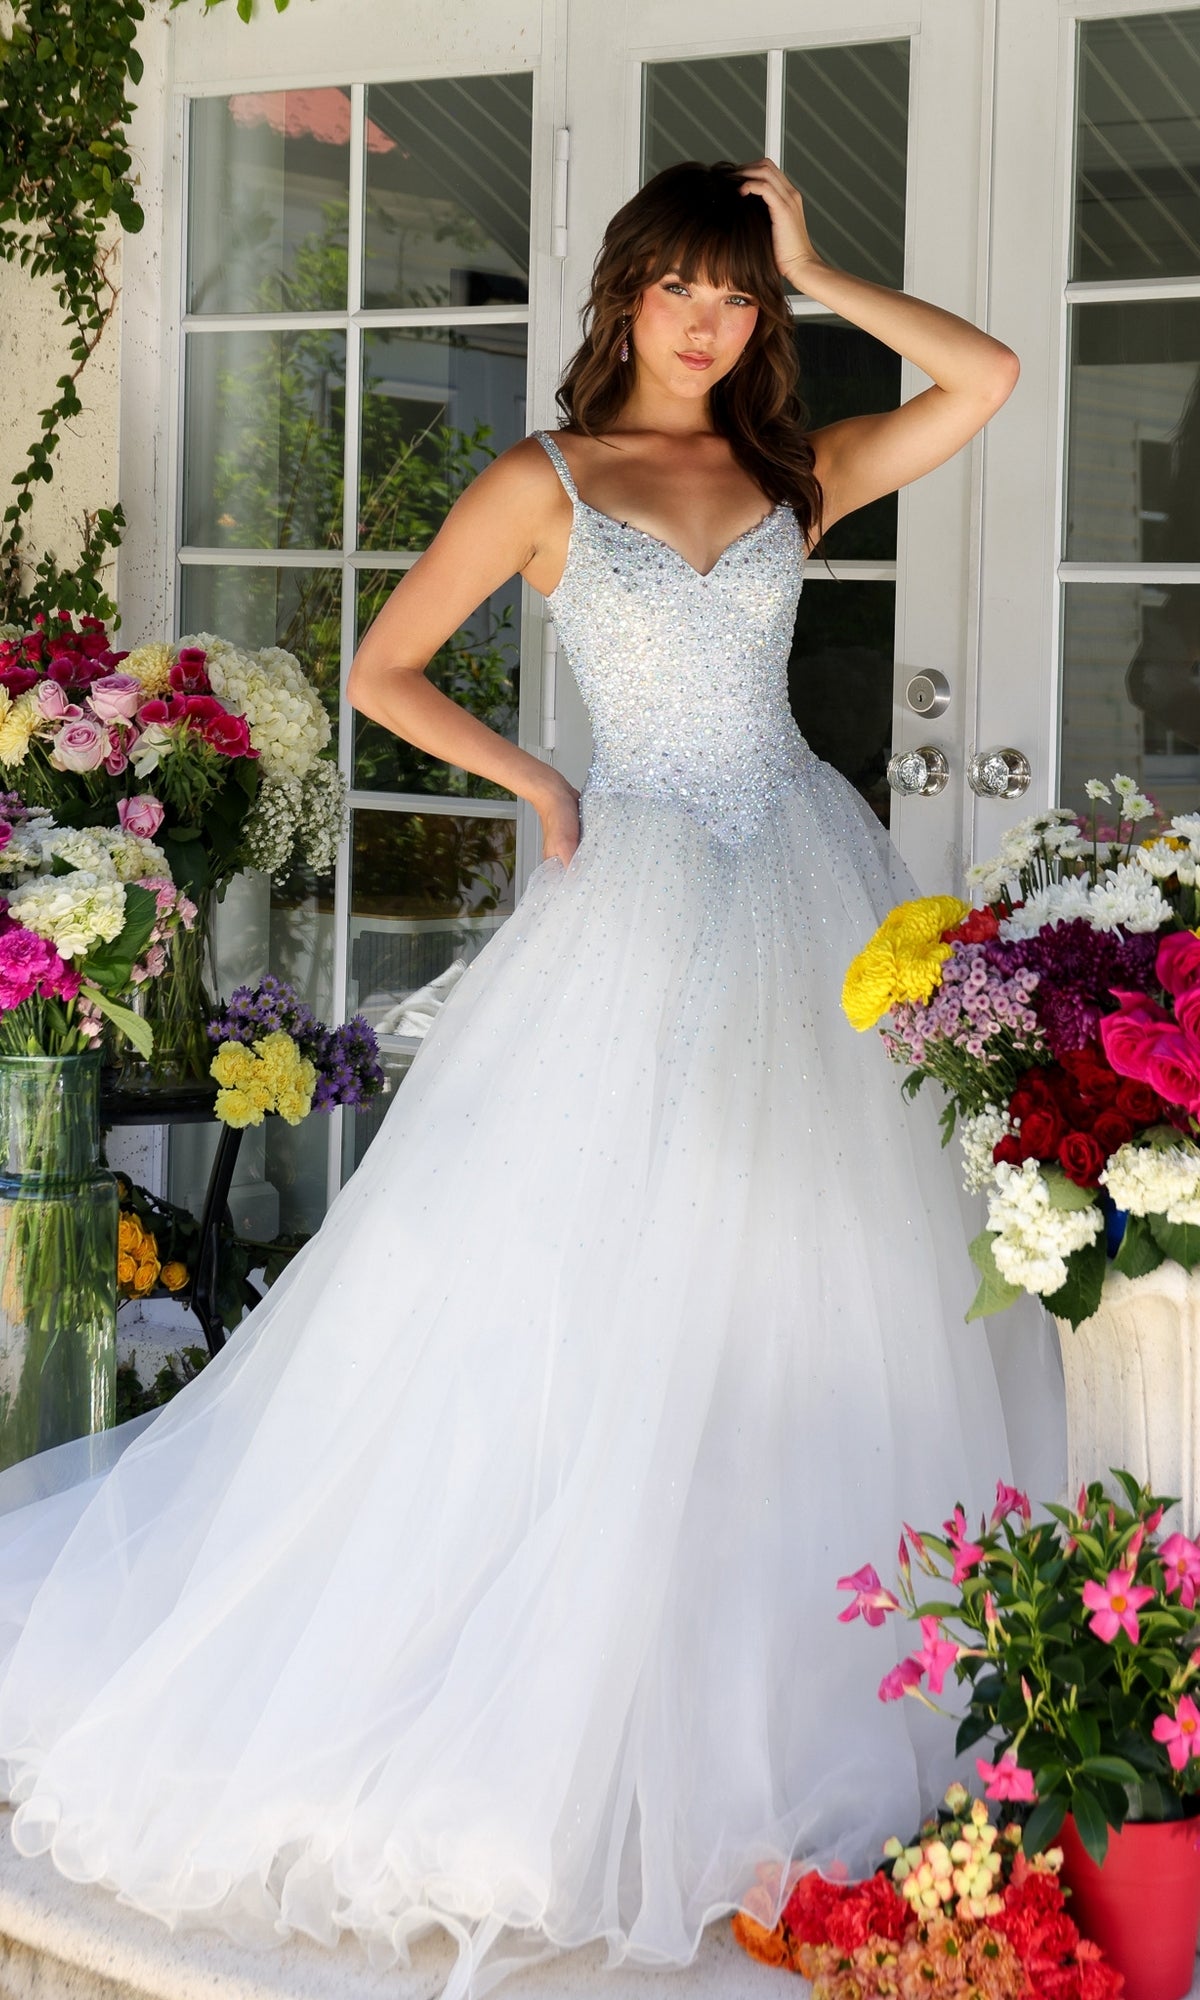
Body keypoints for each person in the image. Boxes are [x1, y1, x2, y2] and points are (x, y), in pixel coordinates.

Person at [0, 161, 1060, 1999]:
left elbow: (984, 384)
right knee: (583, 1291)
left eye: (745, 298)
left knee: (803, 1272)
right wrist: (544, 786)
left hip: (801, 882)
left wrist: (825, 263)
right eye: (689, 291)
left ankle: (749, 1678)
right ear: (628, 295)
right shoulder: (543, 479)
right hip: (638, 895)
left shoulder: (792, 473)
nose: (715, 324)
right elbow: (388, 668)